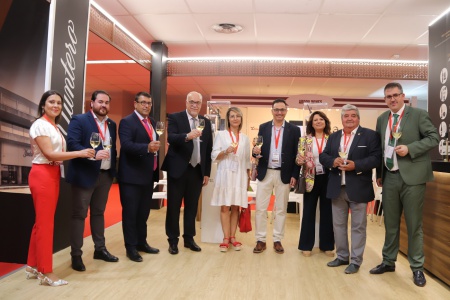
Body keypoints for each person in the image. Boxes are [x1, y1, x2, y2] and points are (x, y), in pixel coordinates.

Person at [370, 82, 439, 287]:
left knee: (413, 225)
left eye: (395, 95)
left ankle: (417, 267)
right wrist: (380, 173)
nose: (392, 99)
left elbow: (434, 137)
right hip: (390, 176)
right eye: (388, 96)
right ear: (385, 99)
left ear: (403, 96)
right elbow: (381, 149)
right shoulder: (382, 119)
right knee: (390, 223)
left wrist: (410, 148)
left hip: (413, 177)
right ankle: (388, 261)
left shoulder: (417, 115)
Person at [26, 90, 94, 286]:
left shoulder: (53, 126)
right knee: (45, 225)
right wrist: (80, 153)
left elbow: (57, 155)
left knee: (41, 223)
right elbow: (50, 154)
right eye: (51, 102)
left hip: (52, 174)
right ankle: (46, 272)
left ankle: (32, 266)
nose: (56, 105)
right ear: (43, 105)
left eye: (59, 103)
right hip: (42, 174)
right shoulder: (40, 125)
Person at [319, 104, 381, 274]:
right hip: (336, 187)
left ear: (358, 118)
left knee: (358, 226)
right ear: (342, 119)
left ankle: (355, 260)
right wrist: (333, 161)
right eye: (346, 116)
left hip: (359, 187)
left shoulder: (370, 136)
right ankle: (341, 256)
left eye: (353, 115)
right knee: (338, 225)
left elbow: (376, 158)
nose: (350, 118)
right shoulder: (333, 137)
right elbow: (323, 155)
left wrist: (356, 165)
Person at [66, 90, 118, 272]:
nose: (104, 105)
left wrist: (113, 171)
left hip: (105, 175)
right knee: (79, 215)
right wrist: (94, 154)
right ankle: (76, 255)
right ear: (92, 103)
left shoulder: (112, 124)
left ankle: (100, 249)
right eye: (100, 102)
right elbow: (72, 144)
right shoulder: (79, 120)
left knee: (99, 213)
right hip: (84, 174)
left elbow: (112, 149)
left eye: (107, 102)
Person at [161, 91, 213, 255]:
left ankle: (189, 238)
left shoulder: (205, 121)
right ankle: (173, 240)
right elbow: (171, 138)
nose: (194, 105)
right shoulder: (176, 117)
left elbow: (208, 148)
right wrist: (187, 136)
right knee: (174, 207)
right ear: (186, 102)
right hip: (178, 170)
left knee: (191, 208)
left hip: (197, 170)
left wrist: (206, 172)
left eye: (197, 102)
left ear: (201, 104)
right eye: (191, 102)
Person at [252, 99, 300, 254]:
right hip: (266, 172)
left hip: (284, 174)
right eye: (276, 110)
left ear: (286, 111)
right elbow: (257, 150)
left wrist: (295, 174)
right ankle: (261, 240)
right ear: (271, 110)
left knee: (280, 209)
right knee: (260, 208)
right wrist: (255, 152)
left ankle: (277, 240)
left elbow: (297, 154)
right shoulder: (263, 127)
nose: (279, 112)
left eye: (282, 110)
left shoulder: (294, 130)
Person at [117, 91, 161, 262]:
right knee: (130, 213)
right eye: (143, 102)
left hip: (148, 174)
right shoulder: (127, 122)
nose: (146, 106)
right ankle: (131, 247)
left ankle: (142, 242)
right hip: (131, 176)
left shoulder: (153, 122)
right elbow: (126, 145)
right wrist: (146, 148)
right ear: (135, 104)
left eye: (149, 103)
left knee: (143, 213)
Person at [210, 107, 251, 252]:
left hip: (239, 174)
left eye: (238, 116)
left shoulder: (245, 138)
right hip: (225, 173)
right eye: (232, 116)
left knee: (236, 206)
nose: (235, 118)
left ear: (241, 119)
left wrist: (248, 178)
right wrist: (225, 151)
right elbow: (214, 156)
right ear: (228, 119)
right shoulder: (220, 135)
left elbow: (247, 160)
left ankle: (233, 237)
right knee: (225, 206)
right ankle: (225, 238)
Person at [295, 111, 334, 257]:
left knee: (327, 212)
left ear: (325, 122)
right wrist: (299, 160)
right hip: (311, 178)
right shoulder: (305, 140)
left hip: (329, 177)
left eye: (321, 119)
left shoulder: (332, 139)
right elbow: (299, 158)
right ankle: (306, 245)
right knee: (308, 212)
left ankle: (327, 245)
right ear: (311, 124)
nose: (318, 122)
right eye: (315, 120)